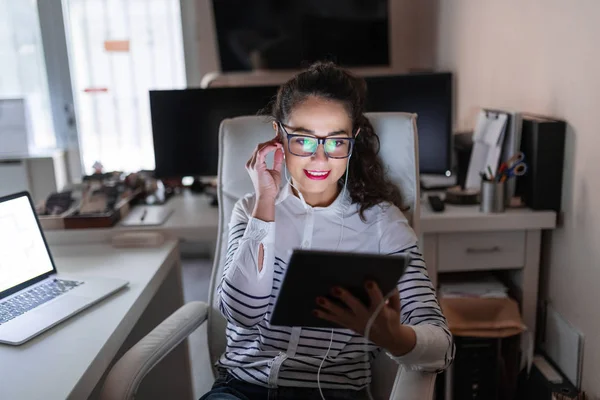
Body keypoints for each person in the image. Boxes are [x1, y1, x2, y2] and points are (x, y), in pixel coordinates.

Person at [201, 62, 453, 400]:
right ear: (279, 135)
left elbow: (442, 345)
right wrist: (266, 200)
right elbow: (242, 313)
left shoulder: (382, 222)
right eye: (303, 140)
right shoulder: (251, 209)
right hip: (242, 387)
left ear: (354, 139)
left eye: (336, 142)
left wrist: (395, 338)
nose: (320, 159)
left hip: (333, 392)